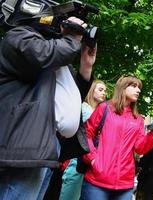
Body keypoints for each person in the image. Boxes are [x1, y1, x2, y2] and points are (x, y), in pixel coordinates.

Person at [0, 1, 96, 199]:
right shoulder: (17, 36)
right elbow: (46, 54)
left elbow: (66, 95)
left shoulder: (53, 51)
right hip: (25, 145)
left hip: (46, 147)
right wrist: (73, 39)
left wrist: (85, 68)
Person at [80, 75, 153, 200]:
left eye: (139, 88)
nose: (138, 90)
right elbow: (86, 134)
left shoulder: (138, 119)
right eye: (134, 86)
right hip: (98, 180)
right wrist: (92, 159)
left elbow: (140, 148)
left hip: (125, 183)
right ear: (123, 88)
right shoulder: (104, 108)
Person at [59, 80, 107, 200]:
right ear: (91, 91)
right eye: (100, 90)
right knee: (70, 195)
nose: (104, 93)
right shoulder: (83, 109)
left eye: (105, 91)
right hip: (76, 159)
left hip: (89, 162)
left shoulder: (100, 112)